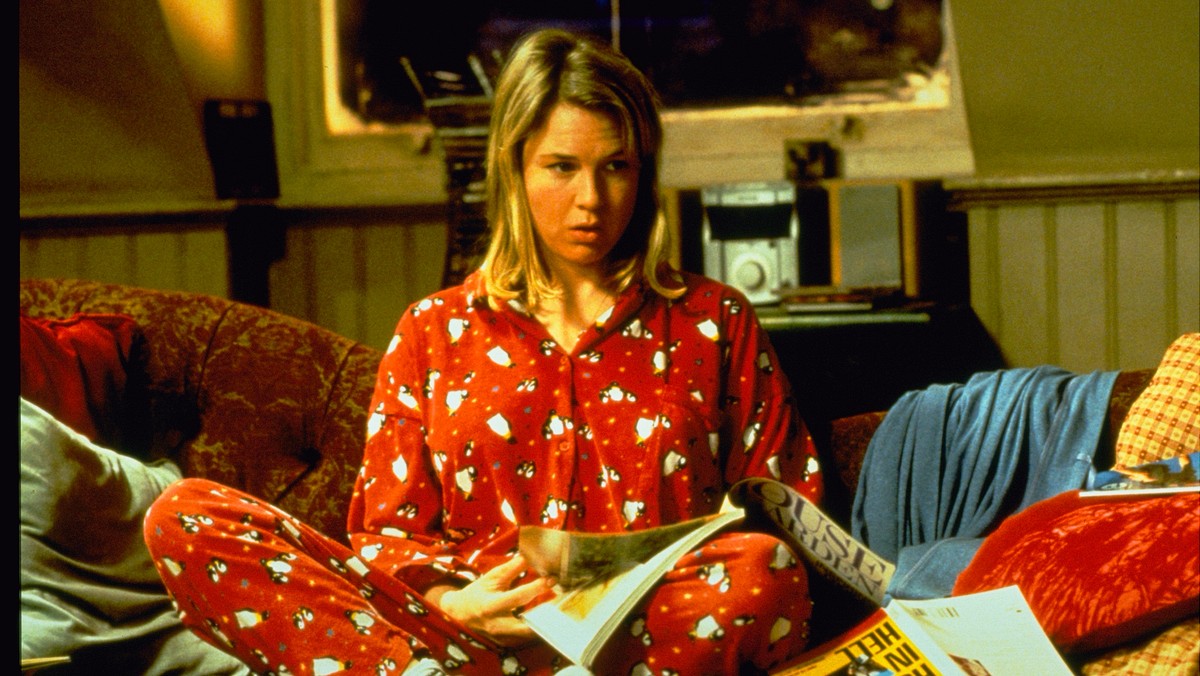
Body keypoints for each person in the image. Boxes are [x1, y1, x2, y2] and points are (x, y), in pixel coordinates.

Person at [143, 28, 823, 676]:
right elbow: (386, 536)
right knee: (185, 516)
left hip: (652, 635)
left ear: (643, 176)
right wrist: (452, 604)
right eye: (561, 167)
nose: (590, 199)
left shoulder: (713, 321)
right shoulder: (432, 331)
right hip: (461, 640)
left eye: (616, 167)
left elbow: (790, 514)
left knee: (763, 567)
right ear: (514, 167)